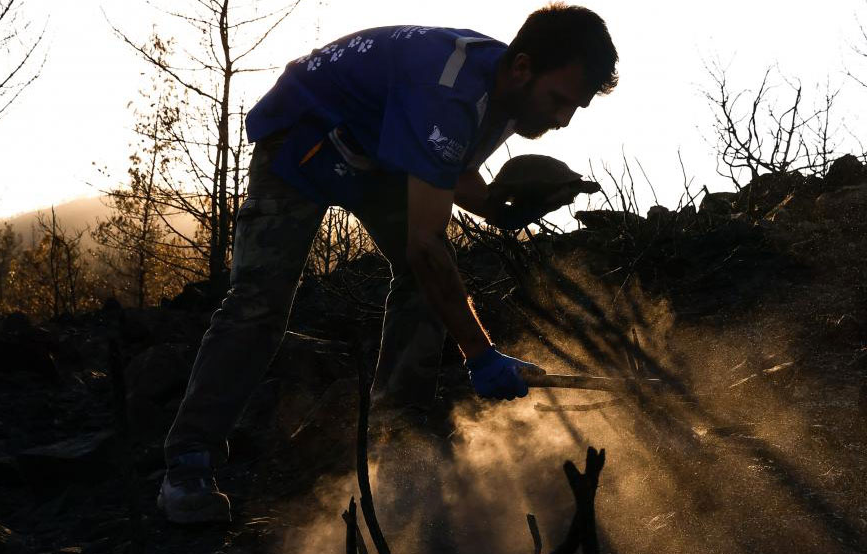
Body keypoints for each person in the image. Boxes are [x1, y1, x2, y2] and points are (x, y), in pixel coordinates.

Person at [156, 4, 619, 524]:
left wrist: (500, 206)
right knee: (260, 302)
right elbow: (426, 242)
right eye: (559, 100)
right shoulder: (450, 90)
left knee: (426, 284)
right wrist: (481, 355)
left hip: (375, 157)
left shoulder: (509, 98)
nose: (561, 119)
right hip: (306, 136)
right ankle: (186, 465)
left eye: (573, 108)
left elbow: (447, 170)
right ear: (523, 67)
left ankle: (400, 442)